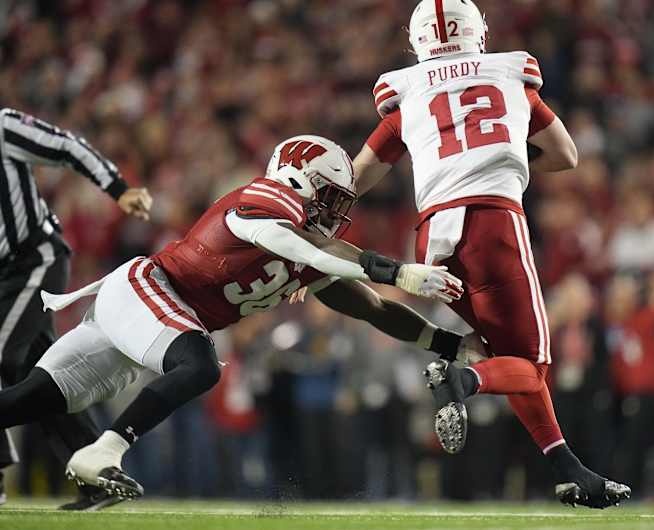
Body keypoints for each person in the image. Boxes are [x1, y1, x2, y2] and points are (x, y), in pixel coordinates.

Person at [0, 134, 475, 499]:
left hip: (152, 310)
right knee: (199, 364)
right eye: (329, 197)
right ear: (299, 179)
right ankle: (103, 451)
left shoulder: (311, 249)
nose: (335, 211)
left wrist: (454, 345)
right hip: (149, 290)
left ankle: (97, 449)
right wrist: (396, 271)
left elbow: (372, 308)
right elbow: (311, 246)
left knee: (30, 400)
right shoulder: (269, 199)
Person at [352, 0, 630, 509]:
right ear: (479, 33)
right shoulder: (511, 74)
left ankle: (570, 472)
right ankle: (462, 378)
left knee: (509, 358)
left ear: (417, 42)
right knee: (529, 364)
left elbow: (359, 173)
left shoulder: (407, 91)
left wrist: (321, 217)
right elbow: (567, 156)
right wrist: (506, 157)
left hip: (431, 238)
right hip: (492, 224)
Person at [0, 108, 152, 509]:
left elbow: (66, 145)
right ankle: (96, 473)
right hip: (5, 273)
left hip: (33, 258)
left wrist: (118, 188)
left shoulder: (4, 127)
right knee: (46, 384)